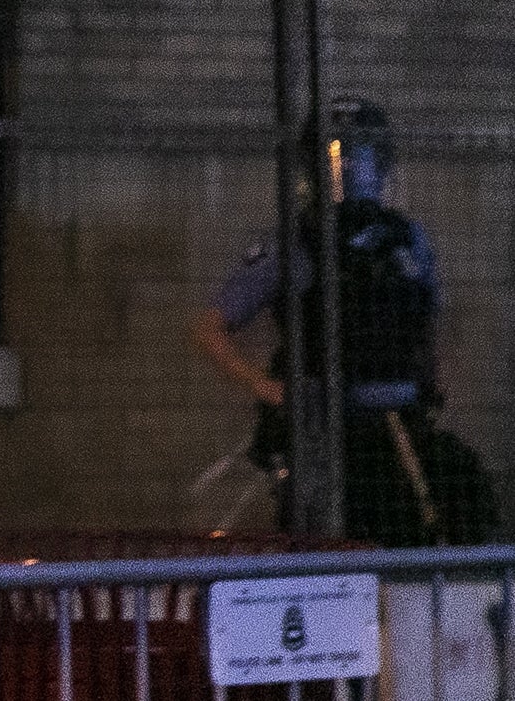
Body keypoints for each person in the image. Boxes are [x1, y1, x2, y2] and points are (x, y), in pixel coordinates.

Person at [190, 96, 496, 546]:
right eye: (333, 154)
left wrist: (425, 382)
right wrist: (271, 390)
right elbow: (209, 327)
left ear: (383, 162)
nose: (347, 165)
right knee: (336, 548)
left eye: (358, 153)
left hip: (401, 426)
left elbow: (429, 323)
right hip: (325, 431)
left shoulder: (405, 241)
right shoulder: (296, 242)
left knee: (456, 508)